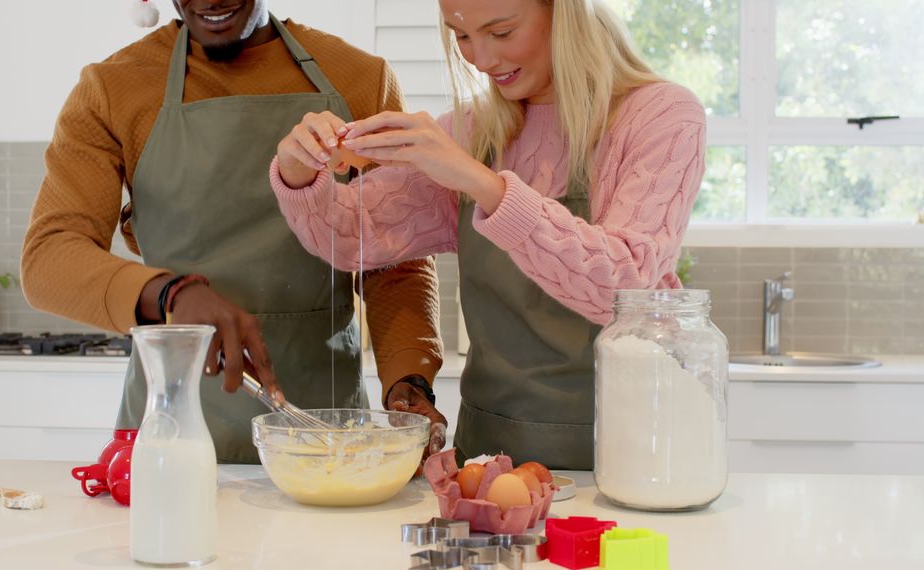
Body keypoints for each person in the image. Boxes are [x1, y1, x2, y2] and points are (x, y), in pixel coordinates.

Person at [271, 0, 706, 469]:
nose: (480, 58)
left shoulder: (661, 115)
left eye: (500, 33)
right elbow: (350, 240)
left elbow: (624, 288)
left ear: (564, 13)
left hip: (639, 458)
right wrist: (299, 170)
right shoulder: (470, 130)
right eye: (461, 36)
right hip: (493, 458)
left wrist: (481, 182)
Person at [21, 0, 447, 464]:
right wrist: (171, 295)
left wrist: (410, 378)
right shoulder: (112, 88)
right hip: (171, 441)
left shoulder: (360, 79)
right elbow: (47, 258)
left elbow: (395, 262)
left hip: (326, 440)